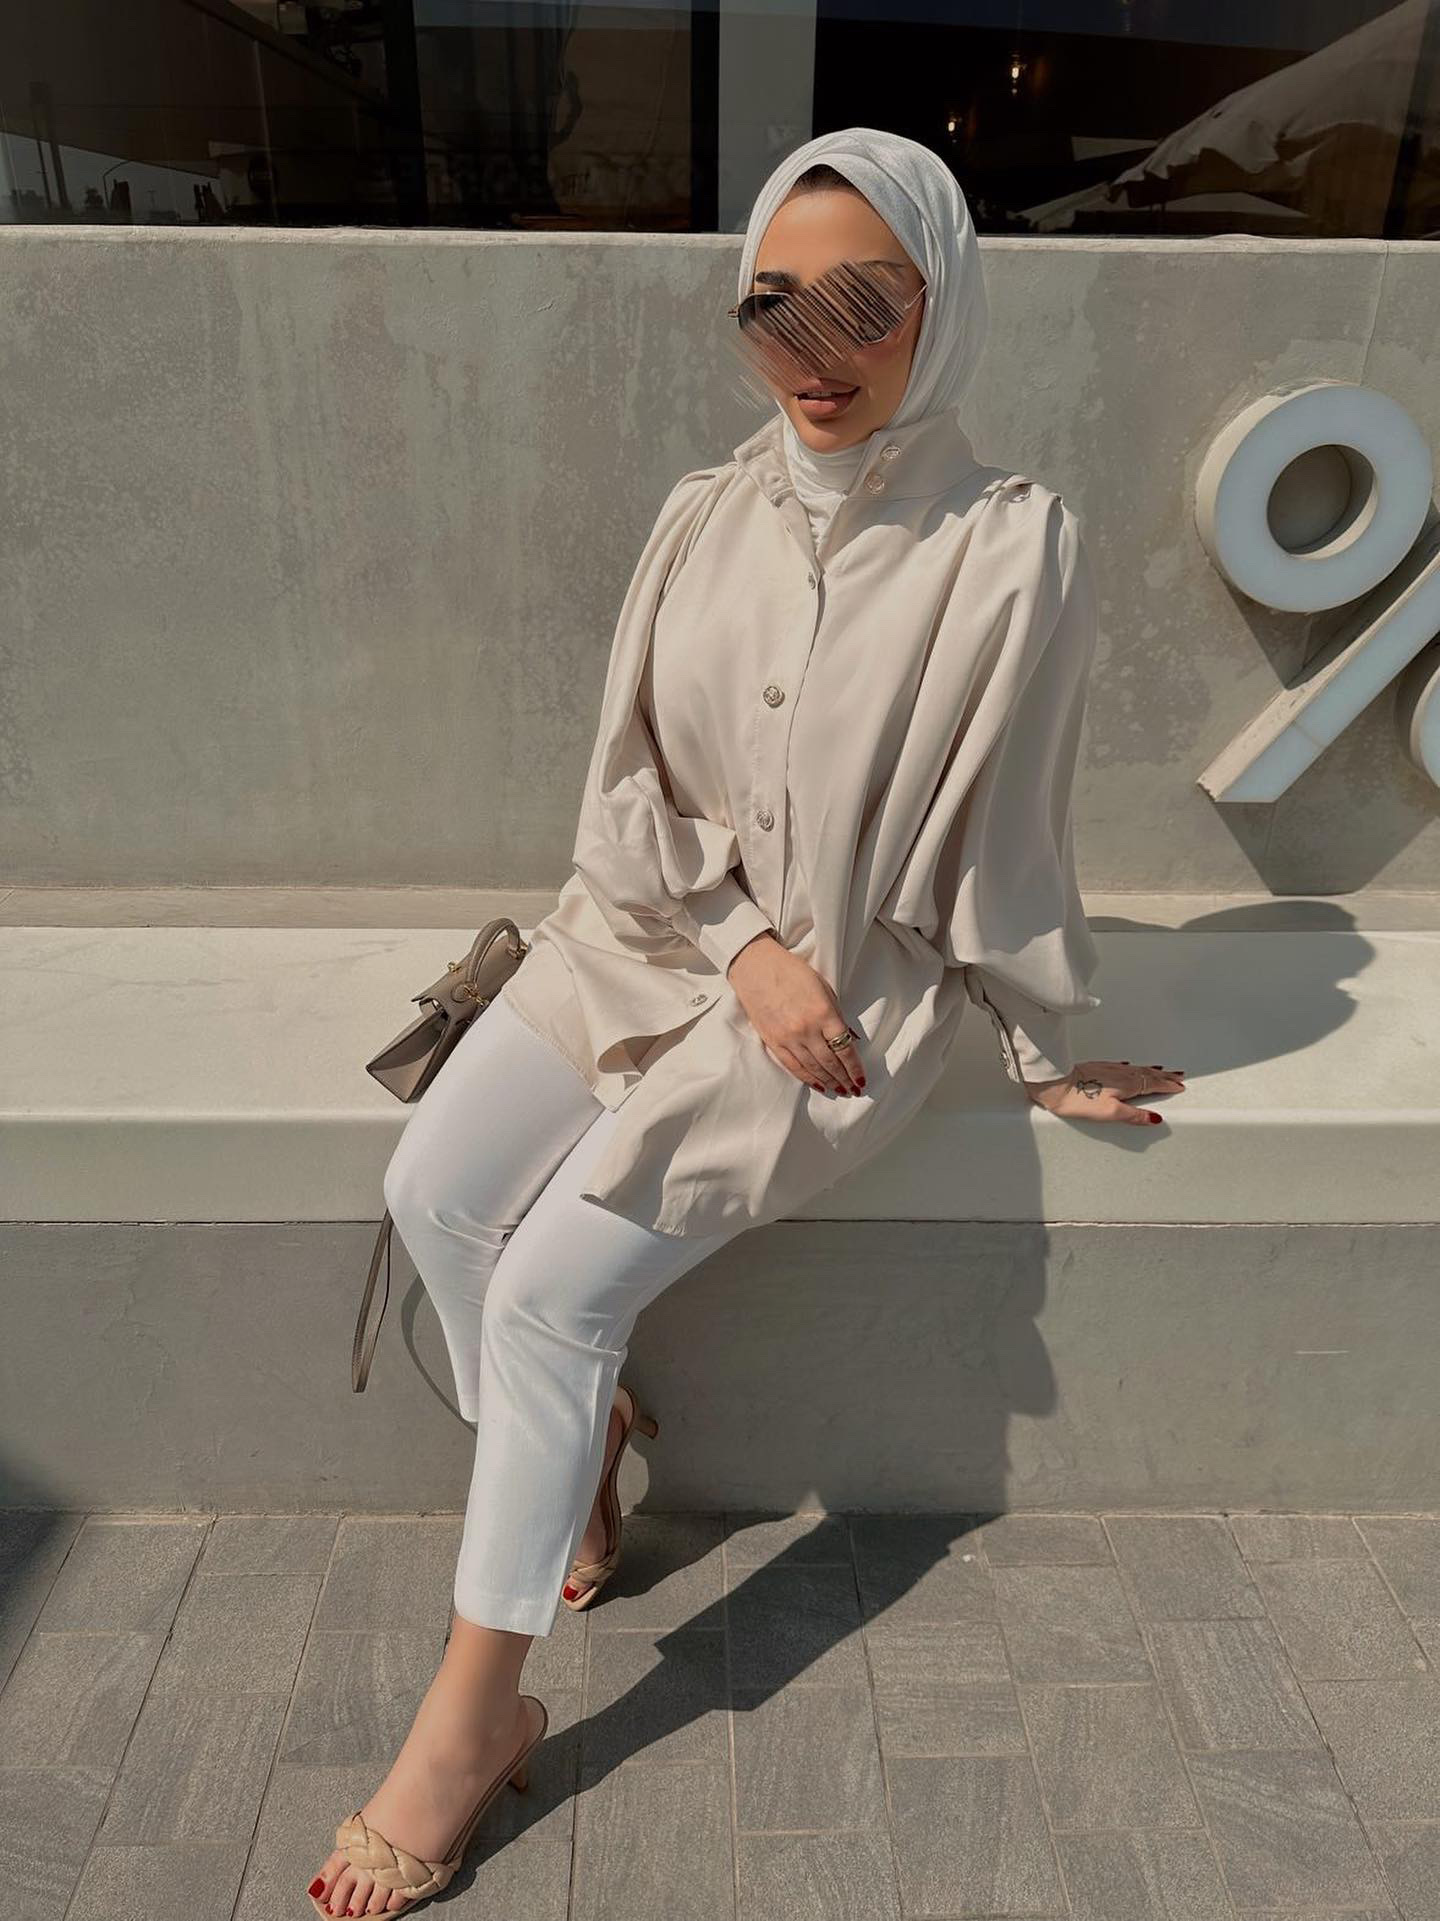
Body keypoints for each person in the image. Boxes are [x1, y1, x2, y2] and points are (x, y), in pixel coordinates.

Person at [306, 125, 1186, 1918]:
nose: (813, 348)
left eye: (865, 302)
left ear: (942, 303)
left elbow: (1010, 828)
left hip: (842, 994)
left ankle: (472, 1719)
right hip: (650, 935)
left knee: (548, 1294)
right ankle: (586, 1450)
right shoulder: (701, 513)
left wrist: (1038, 1045)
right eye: (775, 304)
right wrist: (734, 940)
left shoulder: (1011, 547)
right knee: (434, 1191)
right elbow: (625, 783)